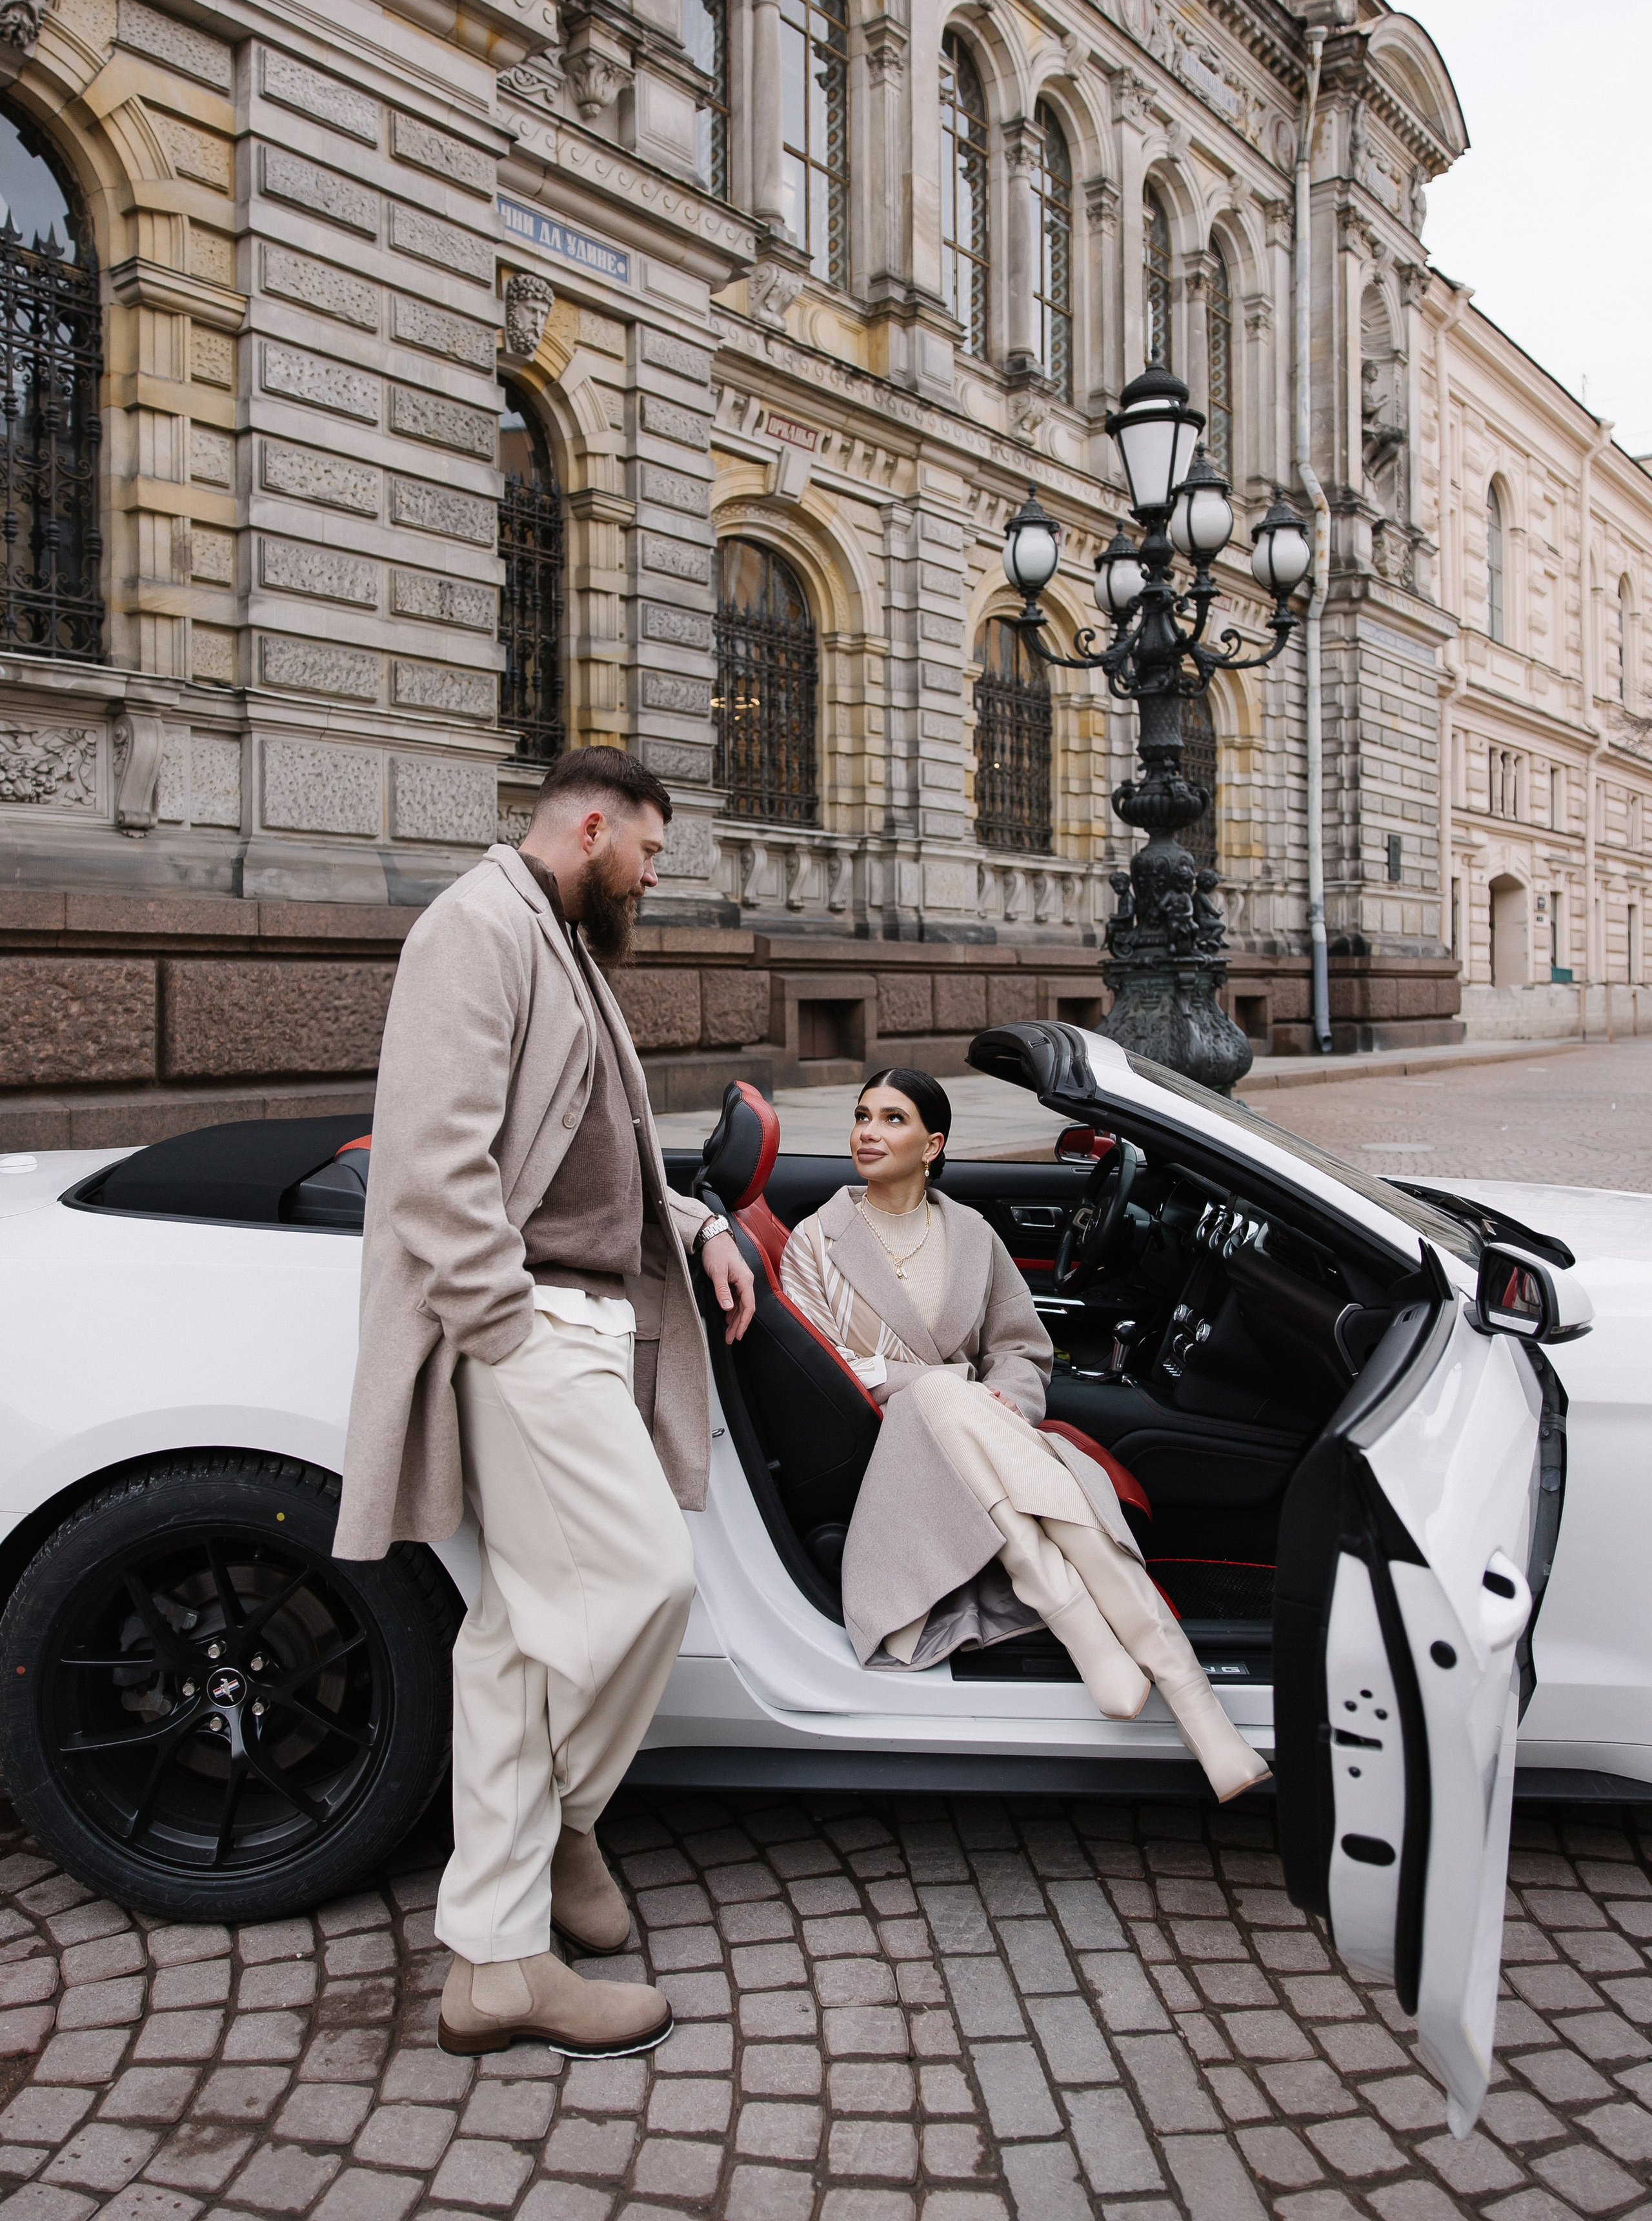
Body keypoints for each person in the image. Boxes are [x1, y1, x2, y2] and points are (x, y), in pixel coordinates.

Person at [333, 747, 756, 2058]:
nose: (653, 873)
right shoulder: (477, 928)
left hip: (581, 1313)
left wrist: (692, 1223)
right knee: (645, 1580)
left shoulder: (559, 938)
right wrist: (503, 1327)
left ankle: (500, 1960)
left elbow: (595, 1141)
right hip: (529, 1328)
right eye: (649, 851)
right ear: (590, 827)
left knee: (517, 1638)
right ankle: (563, 1830)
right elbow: (430, 1156)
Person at [779, 1068, 1267, 1802]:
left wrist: (1001, 1396)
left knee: (959, 1403)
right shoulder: (815, 1244)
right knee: (943, 1395)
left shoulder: (971, 1234)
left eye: (891, 1119)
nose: (868, 1133)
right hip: (889, 1456)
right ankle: (1184, 1690)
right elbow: (829, 1368)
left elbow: (1019, 1345)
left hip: (986, 1438)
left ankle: (1099, 1635)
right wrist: (946, 1386)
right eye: (861, 1117)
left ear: (932, 1145)